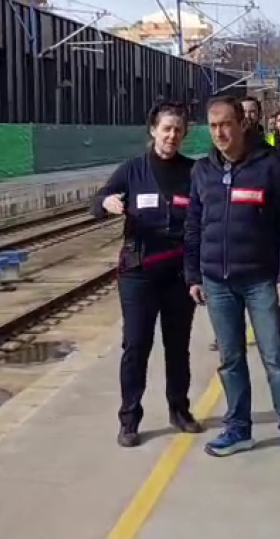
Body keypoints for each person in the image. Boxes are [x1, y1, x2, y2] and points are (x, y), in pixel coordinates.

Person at [184, 96, 280, 466]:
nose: (220, 132)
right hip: (216, 282)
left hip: (261, 280)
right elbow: (193, 225)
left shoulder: (270, 165)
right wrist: (193, 273)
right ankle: (238, 428)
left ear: (242, 123)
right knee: (230, 359)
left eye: (226, 124)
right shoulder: (202, 171)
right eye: (213, 126)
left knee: (275, 357)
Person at [93, 101, 203, 447]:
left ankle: (179, 409)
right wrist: (107, 204)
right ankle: (129, 418)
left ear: (184, 134)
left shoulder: (194, 172)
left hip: (178, 273)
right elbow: (97, 202)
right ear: (153, 130)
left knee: (178, 345)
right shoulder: (132, 170)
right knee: (136, 345)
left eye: (178, 129)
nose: (172, 135)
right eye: (166, 128)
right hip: (139, 272)